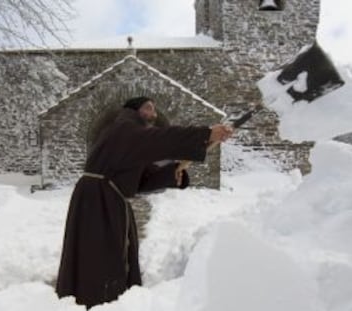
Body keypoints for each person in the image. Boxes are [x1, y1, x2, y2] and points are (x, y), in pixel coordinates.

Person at [55, 96, 233, 308]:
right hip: (97, 201)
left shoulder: (130, 138)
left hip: (107, 197)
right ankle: (97, 299)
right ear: (133, 109)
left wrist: (173, 172)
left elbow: (141, 180)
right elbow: (162, 139)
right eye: (149, 108)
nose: (154, 114)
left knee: (108, 252)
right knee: (100, 254)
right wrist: (205, 134)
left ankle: (110, 298)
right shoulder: (123, 129)